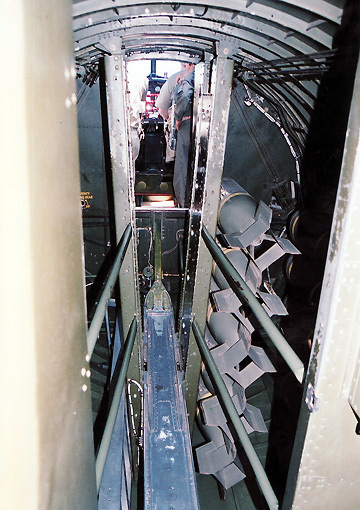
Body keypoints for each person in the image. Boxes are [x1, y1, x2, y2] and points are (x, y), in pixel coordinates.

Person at [156, 63, 195, 207]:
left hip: (185, 125)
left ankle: (183, 204)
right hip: (203, 125)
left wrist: (176, 119)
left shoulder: (181, 78)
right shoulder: (206, 75)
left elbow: (162, 109)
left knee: (181, 166)